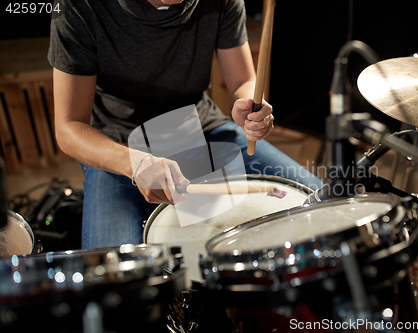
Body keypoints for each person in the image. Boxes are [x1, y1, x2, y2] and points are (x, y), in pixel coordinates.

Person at [49, 0, 323, 249]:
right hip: (117, 142)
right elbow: (69, 127)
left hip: (201, 126)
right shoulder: (77, 7)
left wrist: (249, 105)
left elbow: (242, 82)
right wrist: (135, 164)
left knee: (321, 204)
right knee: (115, 278)